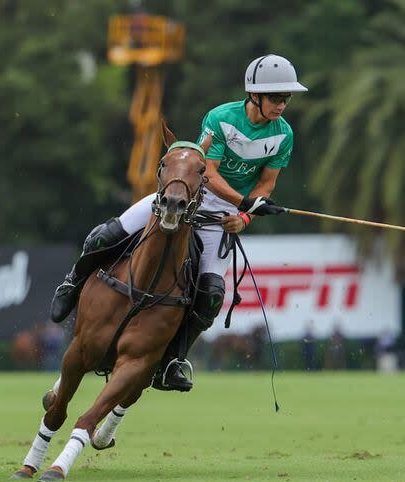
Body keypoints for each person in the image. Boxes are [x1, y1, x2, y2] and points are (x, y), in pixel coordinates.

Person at [48, 54, 308, 391]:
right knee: (106, 236)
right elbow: (209, 174)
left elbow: (266, 185)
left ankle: (172, 361)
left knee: (212, 295)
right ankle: (72, 282)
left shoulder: (283, 135)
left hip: (220, 221)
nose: (282, 105)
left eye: (286, 98)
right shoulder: (221, 118)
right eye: (276, 98)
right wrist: (243, 202)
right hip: (184, 196)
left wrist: (243, 218)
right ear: (253, 95)